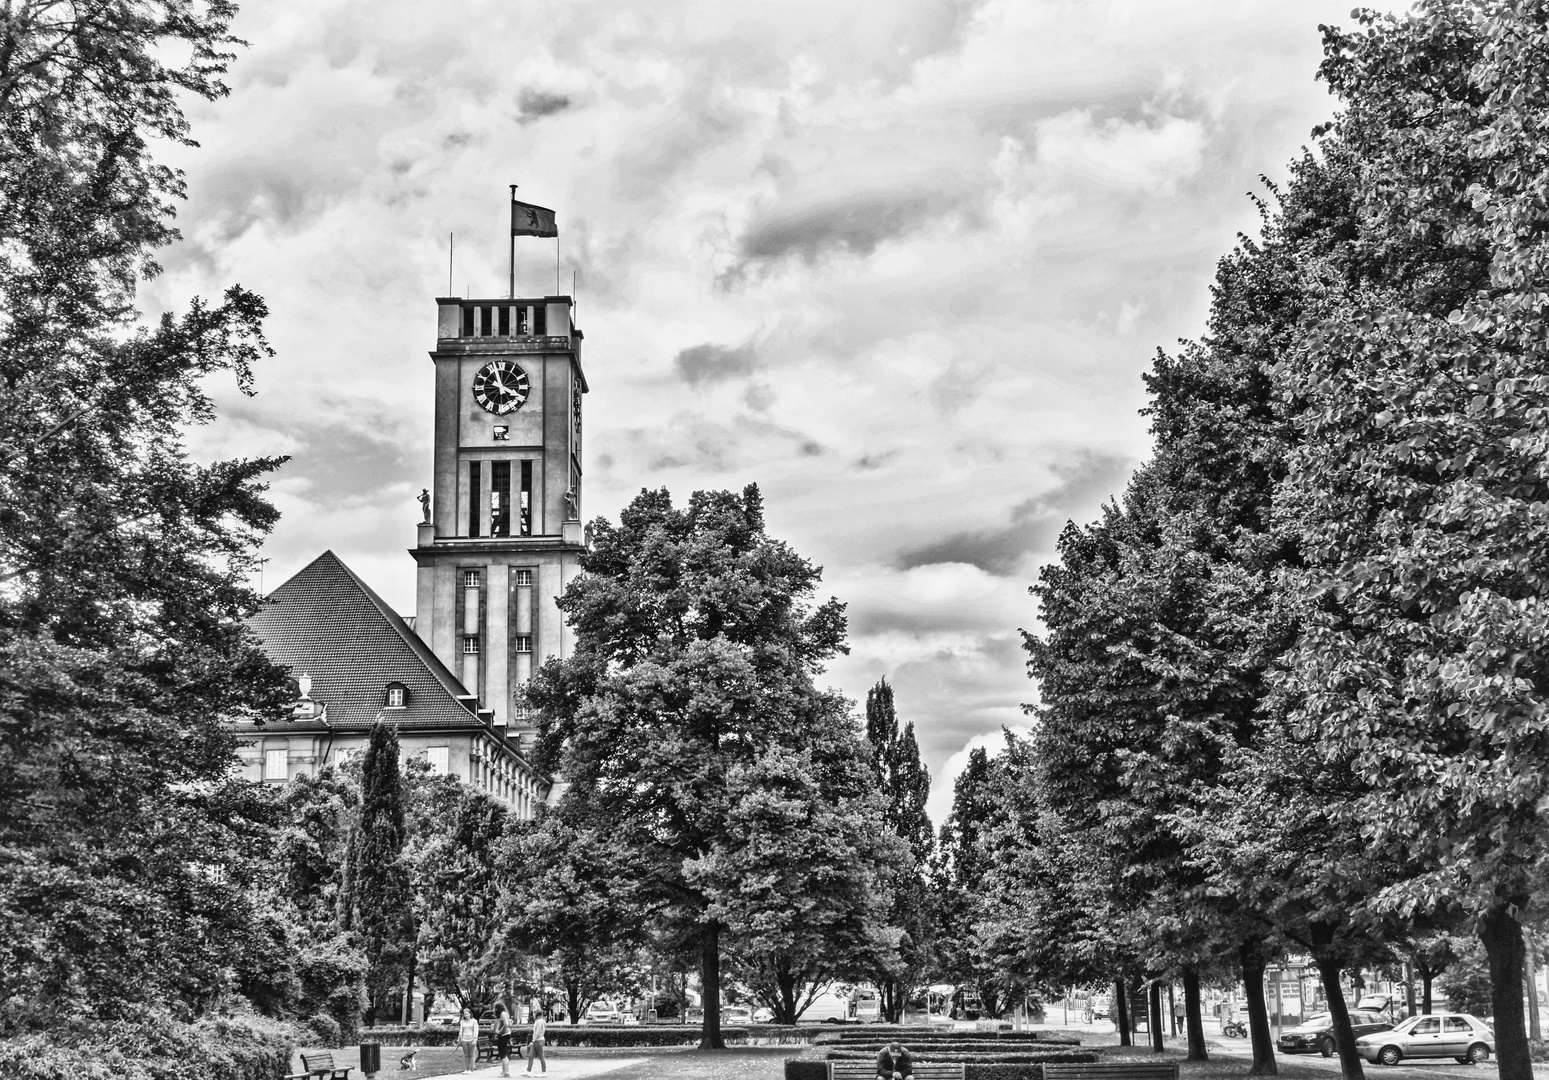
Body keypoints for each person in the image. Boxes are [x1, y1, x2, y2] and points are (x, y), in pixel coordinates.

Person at [457, 1007, 479, 1075]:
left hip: (471, 1040)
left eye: (467, 1014)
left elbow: (476, 1030)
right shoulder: (462, 1022)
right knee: (466, 1055)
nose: (466, 1015)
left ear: (470, 1014)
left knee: (471, 1054)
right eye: (465, 1014)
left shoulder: (474, 1021)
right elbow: (461, 1031)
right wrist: (459, 1039)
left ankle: (471, 1069)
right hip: (464, 1040)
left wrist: (475, 1039)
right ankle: (466, 1069)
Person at [493, 1003, 513, 1078]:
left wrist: (499, 1031)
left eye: (495, 1008)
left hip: (504, 1035)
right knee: (503, 1054)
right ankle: (504, 1071)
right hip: (505, 1034)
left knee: (503, 1054)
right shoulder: (505, 1013)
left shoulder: (502, 1014)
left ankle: (506, 1072)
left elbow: (506, 1024)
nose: (494, 1010)